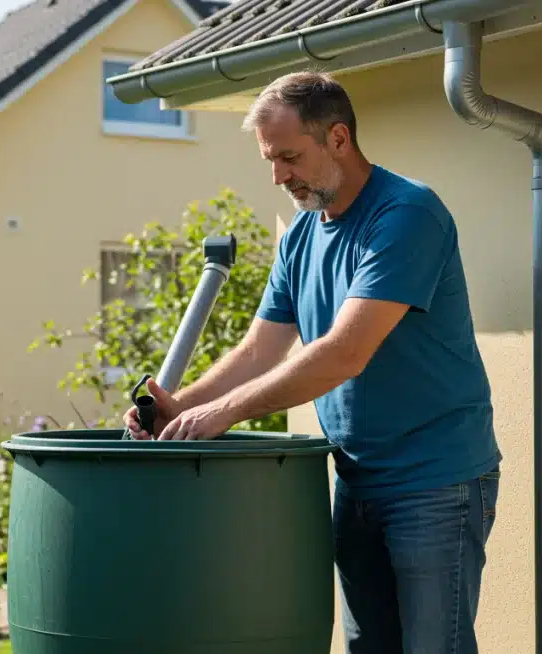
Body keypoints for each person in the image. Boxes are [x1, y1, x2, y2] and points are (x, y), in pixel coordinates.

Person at [123, 71, 502, 654]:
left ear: (339, 139)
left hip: (435, 481)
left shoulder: (406, 215)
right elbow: (259, 350)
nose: (278, 176)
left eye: (290, 157)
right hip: (356, 478)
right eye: (270, 161)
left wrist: (225, 413)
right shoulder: (302, 236)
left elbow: (345, 352)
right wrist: (181, 405)